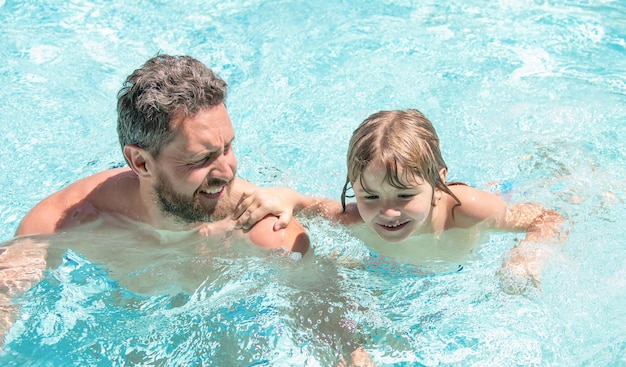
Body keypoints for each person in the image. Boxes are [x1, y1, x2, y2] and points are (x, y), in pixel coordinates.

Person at [0, 54, 310, 345]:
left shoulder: (259, 221)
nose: (227, 172)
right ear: (141, 163)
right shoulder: (64, 222)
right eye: (202, 159)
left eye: (227, 147)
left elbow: (325, 302)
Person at [235, 109, 566, 287]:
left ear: (438, 182)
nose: (388, 211)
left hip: (497, 198)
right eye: (371, 195)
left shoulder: (467, 211)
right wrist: (289, 198)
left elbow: (548, 218)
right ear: (354, 185)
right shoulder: (354, 217)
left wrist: (526, 258)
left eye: (405, 194)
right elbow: (308, 205)